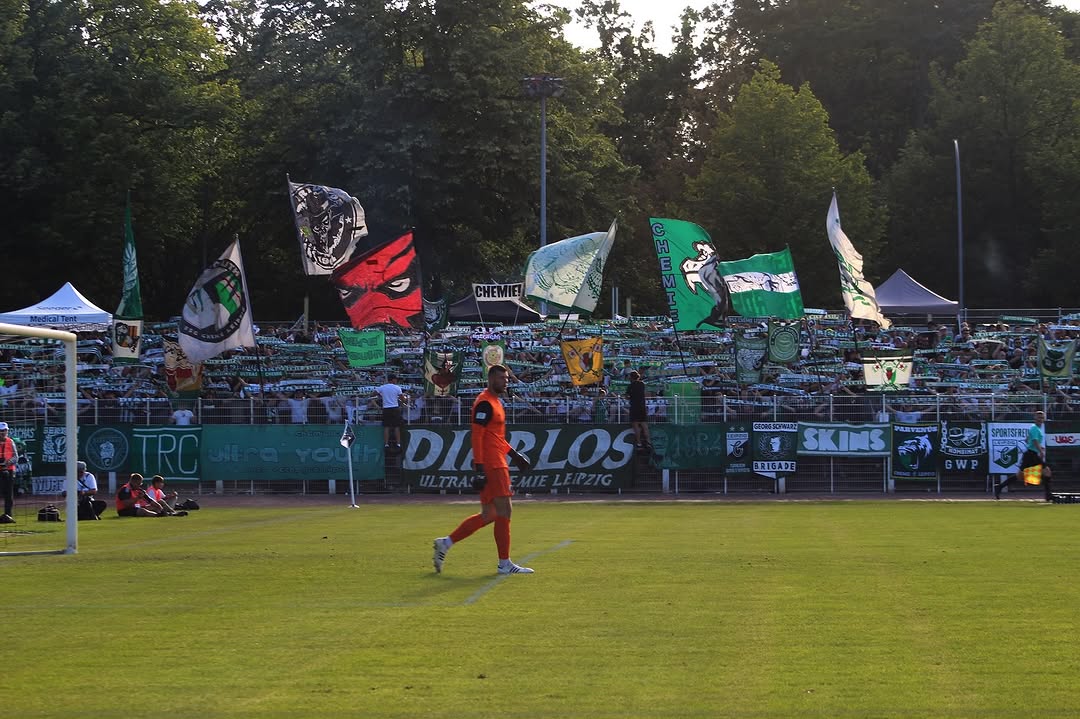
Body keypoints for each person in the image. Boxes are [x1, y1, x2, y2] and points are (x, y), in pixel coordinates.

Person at [432, 364, 534, 575]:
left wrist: (514, 455)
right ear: (491, 380)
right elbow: (476, 435)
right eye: (501, 379)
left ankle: (446, 543)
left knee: (489, 514)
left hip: (495, 461)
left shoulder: (495, 402)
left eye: (506, 379)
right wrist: (479, 467)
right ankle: (504, 563)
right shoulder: (485, 403)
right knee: (505, 511)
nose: (505, 382)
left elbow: (496, 436)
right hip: (492, 464)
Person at [994, 410, 1053, 501]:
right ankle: (1048, 495)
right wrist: (1040, 451)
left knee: (1020, 476)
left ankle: (999, 487)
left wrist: (1038, 447)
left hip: (1030, 454)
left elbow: (1027, 440)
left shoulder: (1035, 428)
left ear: (1044, 419)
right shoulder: (1034, 428)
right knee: (1046, 471)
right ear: (1035, 418)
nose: (1040, 419)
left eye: (1041, 418)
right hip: (1031, 454)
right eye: (1038, 417)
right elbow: (1034, 441)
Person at [373, 373, 406, 448]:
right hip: (395, 408)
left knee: (386, 427)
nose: (396, 380)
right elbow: (403, 399)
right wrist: (405, 400)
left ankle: (386, 444)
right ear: (393, 379)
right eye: (396, 379)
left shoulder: (382, 387)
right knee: (396, 426)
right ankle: (398, 443)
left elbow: (373, 394)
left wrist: (380, 395)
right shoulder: (397, 388)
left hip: (386, 408)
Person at [627, 370, 651, 450]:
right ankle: (648, 442)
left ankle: (639, 443)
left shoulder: (630, 386)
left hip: (634, 407)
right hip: (642, 406)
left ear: (631, 377)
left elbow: (628, 396)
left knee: (636, 425)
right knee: (644, 425)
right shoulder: (642, 384)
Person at [0, 422, 18, 524]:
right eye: (1, 431)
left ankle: (8, 515)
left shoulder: (10, 442)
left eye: (5, 430)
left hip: (9, 470)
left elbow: (16, 457)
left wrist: (7, 462)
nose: (3, 433)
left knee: (8, 494)